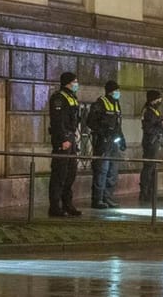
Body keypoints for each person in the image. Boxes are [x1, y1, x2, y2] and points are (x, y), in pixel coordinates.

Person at [47, 72, 82, 217]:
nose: (76, 84)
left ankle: (68, 204)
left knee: (70, 173)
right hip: (63, 139)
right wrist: (63, 139)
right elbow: (57, 121)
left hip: (71, 137)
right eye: (75, 81)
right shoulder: (59, 98)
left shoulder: (72, 97)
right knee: (59, 174)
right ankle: (55, 206)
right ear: (68, 82)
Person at [87, 79, 125, 208]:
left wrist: (122, 139)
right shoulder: (99, 103)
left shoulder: (116, 104)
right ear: (110, 91)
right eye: (116, 91)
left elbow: (118, 125)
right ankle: (97, 199)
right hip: (102, 142)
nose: (118, 93)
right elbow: (90, 122)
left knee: (112, 172)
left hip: (113, 143)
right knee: (101, 171)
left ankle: (107, 198)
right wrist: (103, 132)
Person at [139, 90, 163, 203]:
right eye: (158, 99)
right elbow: (148, 128)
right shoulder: (147, 111)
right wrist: (161, 130)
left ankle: (151, 193)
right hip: (150, 142)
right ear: (152, 100)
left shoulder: (154, 111)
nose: (159, 101)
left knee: (152, 169)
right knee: (148, 168)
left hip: (154, 142)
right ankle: (145, 193)